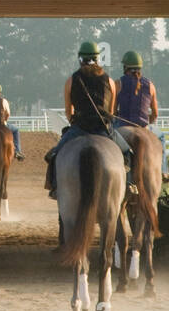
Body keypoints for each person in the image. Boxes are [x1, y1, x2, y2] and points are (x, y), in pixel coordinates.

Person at [43, 41, 134, 199]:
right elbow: (111, 112)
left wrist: (74, 121)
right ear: (98, 59)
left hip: (79, 128)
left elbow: (68, 110)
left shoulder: (71, 81)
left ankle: (54, 186)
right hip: (103, 130)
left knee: (55, 154)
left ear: (80, 59)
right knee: (128, 153)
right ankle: (129, 186)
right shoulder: (111, 82)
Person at [113, 50, 169, 181]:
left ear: (125, 68)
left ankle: (125, 171)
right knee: (161, 137)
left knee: (109, 137)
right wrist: (147, 122)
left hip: (123, 127)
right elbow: (155, 113)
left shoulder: (118, 84)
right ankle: (164, 171)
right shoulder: (150, 85)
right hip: (144, 127)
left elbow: (112, 111)